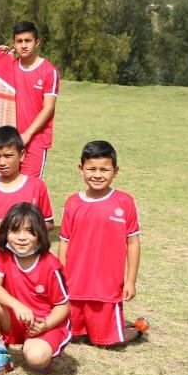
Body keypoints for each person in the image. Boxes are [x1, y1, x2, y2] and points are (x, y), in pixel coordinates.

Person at [58, 140, 147, 346]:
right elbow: (64, 243)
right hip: (75, 286)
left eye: (104, 169)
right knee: (69, 336)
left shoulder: (125, 202)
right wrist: (60, 277)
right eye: (91, 169)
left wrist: (130, 281)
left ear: (115, 171)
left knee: (107, 342)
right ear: (81, 169)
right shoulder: (72, 202)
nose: (97, 174)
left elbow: (133, 243)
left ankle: (137, 329)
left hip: (106, 289)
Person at [0, 203, 71, 375]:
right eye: (15, 231)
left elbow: (63, 306)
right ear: (6, 233)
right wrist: (17, 306)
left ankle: (40, 350)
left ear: (40, 234)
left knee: (36, 358)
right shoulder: (2, 252)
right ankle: (0, 355)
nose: (22, 237)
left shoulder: (51, 265)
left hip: (42, 323)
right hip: (14, 317)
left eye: (29, 231)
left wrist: (45, 325)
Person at [0, 126, 55, 293]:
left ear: (22, 155)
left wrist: (21, 228)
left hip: (24, 258)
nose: (2, 162)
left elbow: (48, 223)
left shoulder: (36, 186)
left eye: (8, 156)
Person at [0, 20, 59, 178]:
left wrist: (28, 134)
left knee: (28, 188)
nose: (23, 45)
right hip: (9, 139)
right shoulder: (10, 66)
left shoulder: (48, 71)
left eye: (28, 41)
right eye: (19, 41)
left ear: (37, 42)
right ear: (13, 43)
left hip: (35, 140)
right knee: (8, 185)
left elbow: (49, 108)